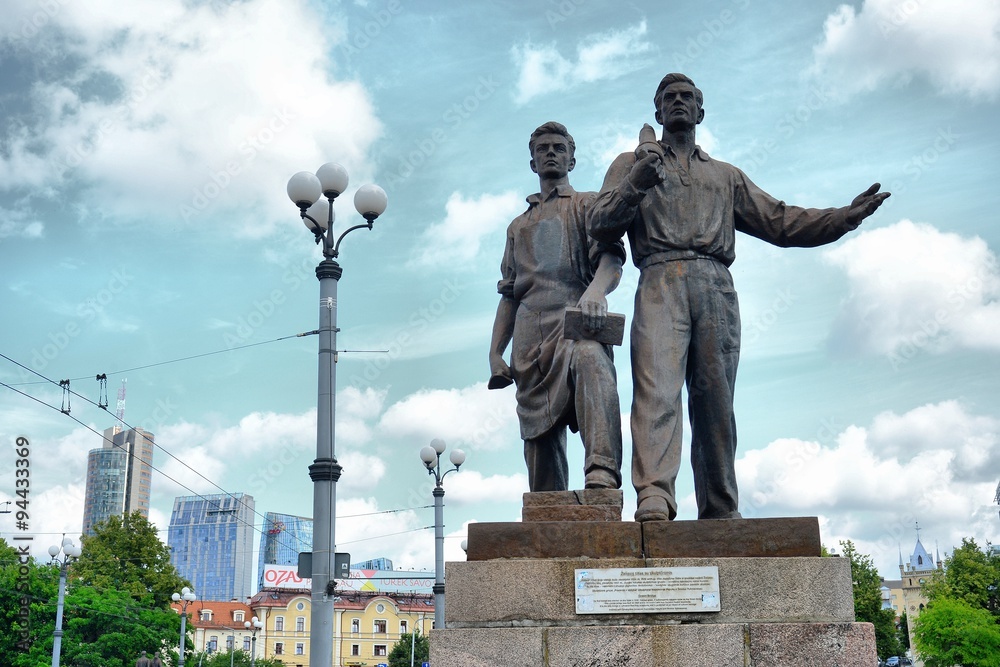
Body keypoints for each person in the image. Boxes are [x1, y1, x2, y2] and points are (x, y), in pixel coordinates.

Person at [588, 73, 889, 522]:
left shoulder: (724, 176)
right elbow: (599, 223)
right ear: (657, 111)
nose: (678, 102)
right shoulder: (632, 162)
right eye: (669, 97)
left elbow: (780, 221)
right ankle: (654, 493)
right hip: (659, 281)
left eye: (687, 97)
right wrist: (636, 183)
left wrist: (842, 218)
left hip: (715, 285)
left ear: (701, 111)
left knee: (715, 401)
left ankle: (720, 504)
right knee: (657, 390)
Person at [490, 121, 626, 492]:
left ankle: (602, 471)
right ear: (532, 163)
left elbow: (611, 259)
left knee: (592, 362)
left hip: (577, 321)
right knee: (538, 439)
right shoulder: (518, 226)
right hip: (530, 335)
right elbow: (509, 294)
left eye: (559, 148)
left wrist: (596, 292)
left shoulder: (587, 205)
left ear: (572, 159)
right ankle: (546, 504)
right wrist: (495, 352)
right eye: (543, 149)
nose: (551, 153)